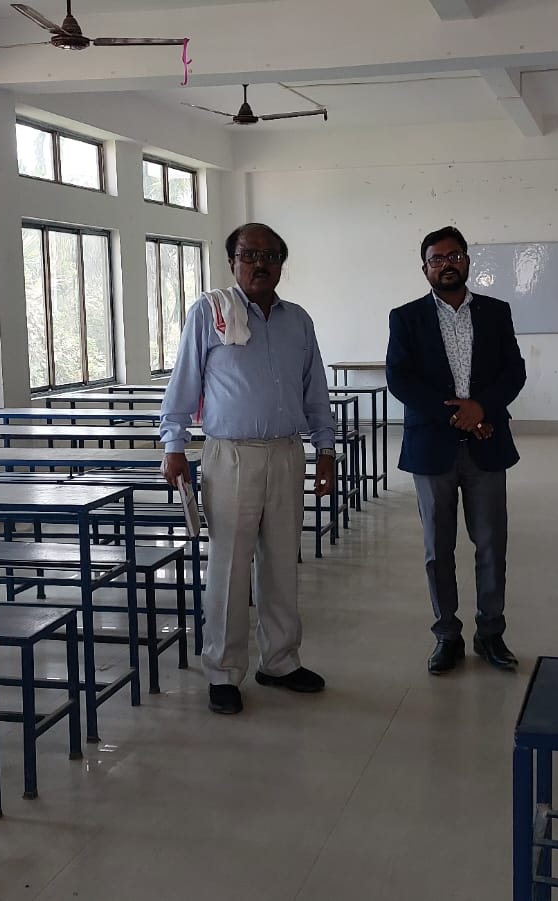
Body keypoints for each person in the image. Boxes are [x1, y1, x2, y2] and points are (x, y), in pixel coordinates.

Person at [161, 222, 336, 715]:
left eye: (270, 255)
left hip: (286, 452)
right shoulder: (210, 313)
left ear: (282, 263)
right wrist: (174, 446)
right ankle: (222, 670)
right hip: (230, 455)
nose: (260, 263)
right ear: (232, 262)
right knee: (230, 567)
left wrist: (325, 450)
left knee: (281, 562)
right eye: (249, 254)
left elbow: (315, 391)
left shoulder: (298, 321)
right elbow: (183, 384)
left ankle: (279, 661)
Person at [385, 225, 526, 675]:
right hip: (432, 448)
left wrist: (481, 408)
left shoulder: (496, 312)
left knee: (491, 544)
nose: (446, 264)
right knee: (437, 548)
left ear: (467, 260)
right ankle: (447, 635)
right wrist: (458, 415)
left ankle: (491, 633)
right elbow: (400, 379)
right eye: (437, 259)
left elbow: (514, 372)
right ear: (425, 267)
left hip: (487, 443)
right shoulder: (406, 318)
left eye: (454, 256)